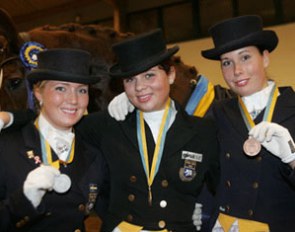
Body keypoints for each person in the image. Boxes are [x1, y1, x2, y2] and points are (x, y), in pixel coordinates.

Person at [108, 15, 295, 232]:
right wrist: (138, 99)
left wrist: (292, 158)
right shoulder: (219, 111)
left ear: (264, 58)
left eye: (245, 58)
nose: (237, 70)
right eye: (227, 62)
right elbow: (195, 158)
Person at [0, 48, 109, 231]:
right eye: (61, 88)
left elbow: (113, 208)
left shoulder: (94, 153)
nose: (73, 100)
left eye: (81, 90)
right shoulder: (6, 148)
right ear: (38, 93)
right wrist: (22, 202)